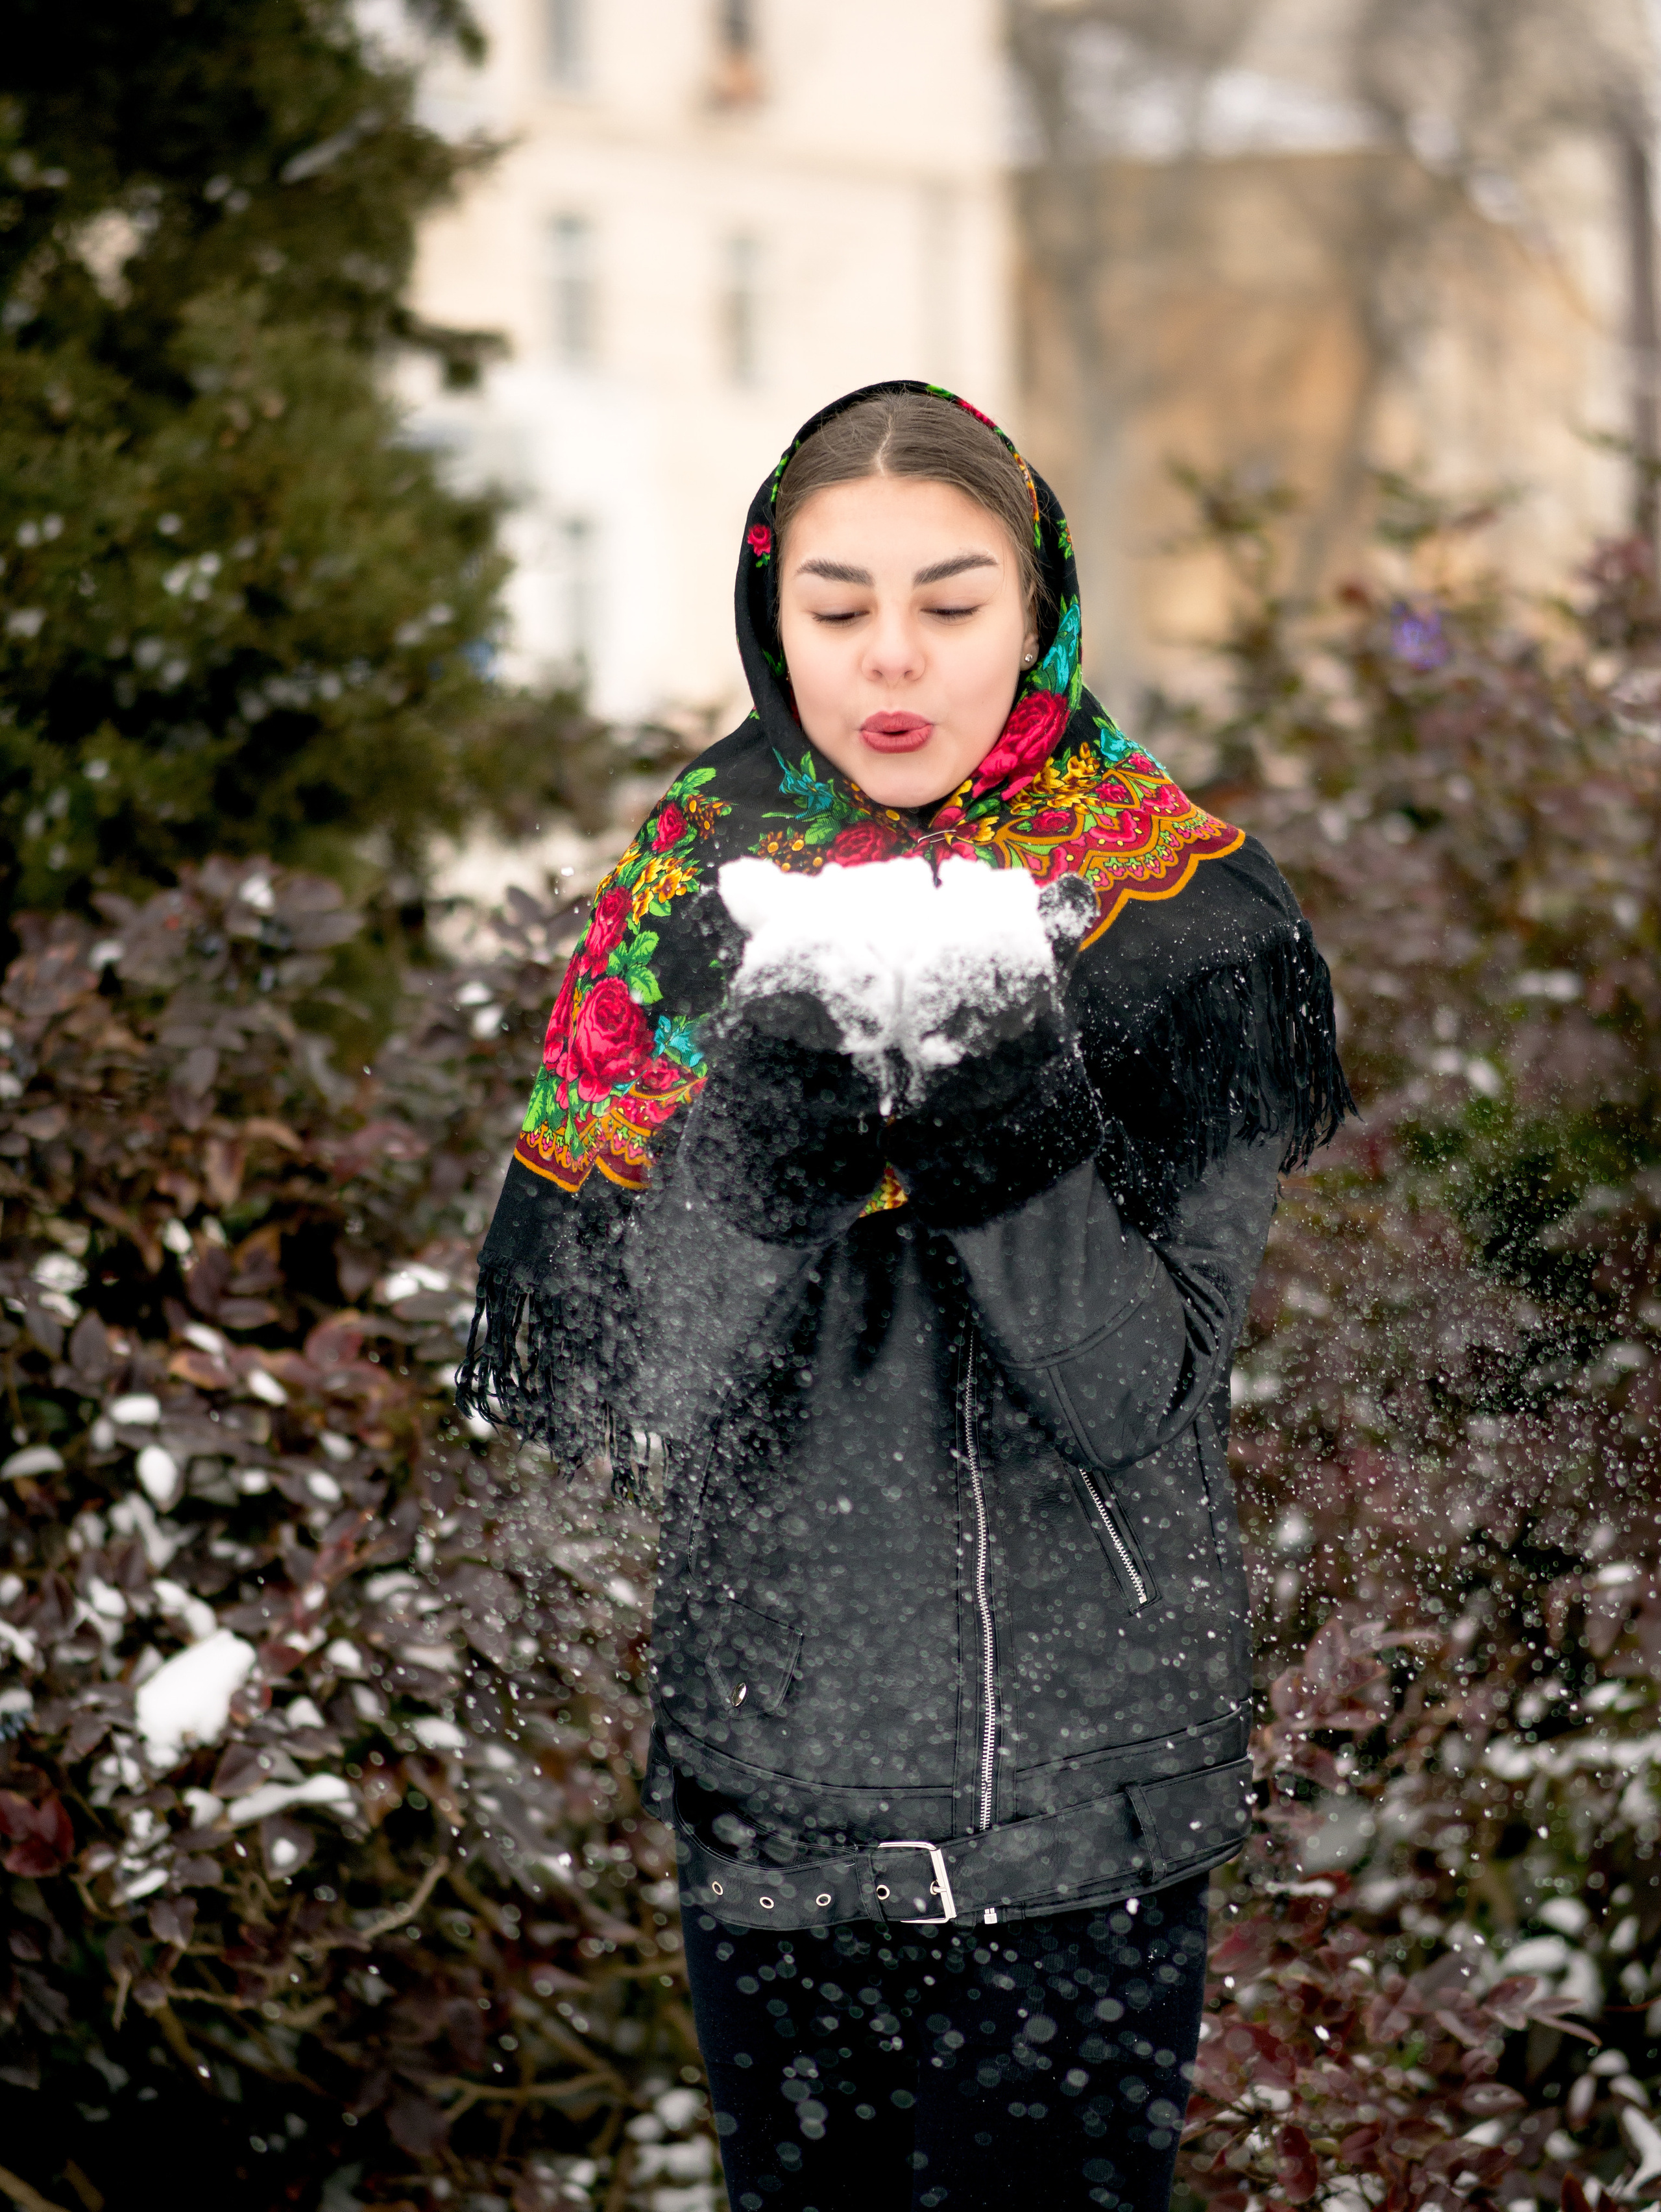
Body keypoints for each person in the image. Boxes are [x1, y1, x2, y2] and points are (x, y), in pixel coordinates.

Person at [459, 383, 1353, 2212]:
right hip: (777, 1810)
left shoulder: (1182, 930)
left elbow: (1135, 1396)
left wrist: (1012, 1140)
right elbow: (624, 1392)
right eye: (839, 605)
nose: (893, 661)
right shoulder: (682, 913)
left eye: (952, 605)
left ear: (1039, 612)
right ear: (767, 612)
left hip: (1087, 1818)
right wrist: (761, 1171)